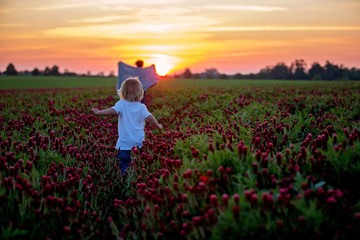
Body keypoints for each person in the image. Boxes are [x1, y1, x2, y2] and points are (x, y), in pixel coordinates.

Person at [91, 77, 162, 176]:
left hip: (124, 145)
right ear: (140, 92)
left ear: (123, 92)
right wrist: (158, 126)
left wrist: (99, 113)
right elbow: (150, 118)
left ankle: (125, 179)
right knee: (138, 164)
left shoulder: (121, 104)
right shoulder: (142, 107)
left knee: (124, 164)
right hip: (139, 144)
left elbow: (112, 111)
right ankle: (137, 180)